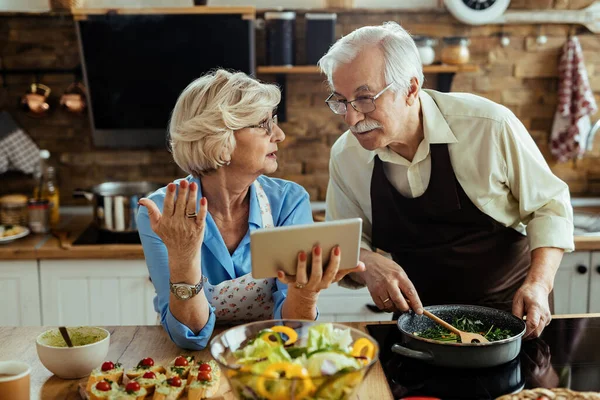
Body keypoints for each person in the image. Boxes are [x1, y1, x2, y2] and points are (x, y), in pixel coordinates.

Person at [318, 22, 574, 339]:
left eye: (365, 98)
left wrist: (539, 283)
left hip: (513, 315)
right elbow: (343, 243)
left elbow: (550, 206)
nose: (351, 118)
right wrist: (368, 262)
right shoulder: (346, 157)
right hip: (421, 322)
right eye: (340, 101)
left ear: (410, 89)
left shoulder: (488, 126)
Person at [137, 69, 364, 350]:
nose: (279, 135)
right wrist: (183, 260)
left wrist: (305, 293)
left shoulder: (288, 202)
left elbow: (293, 333)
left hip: (270, 356)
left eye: (274, 122)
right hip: (194, 365)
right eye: (262, 124)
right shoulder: (162, 213)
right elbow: (189, 336)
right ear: (219, 138)